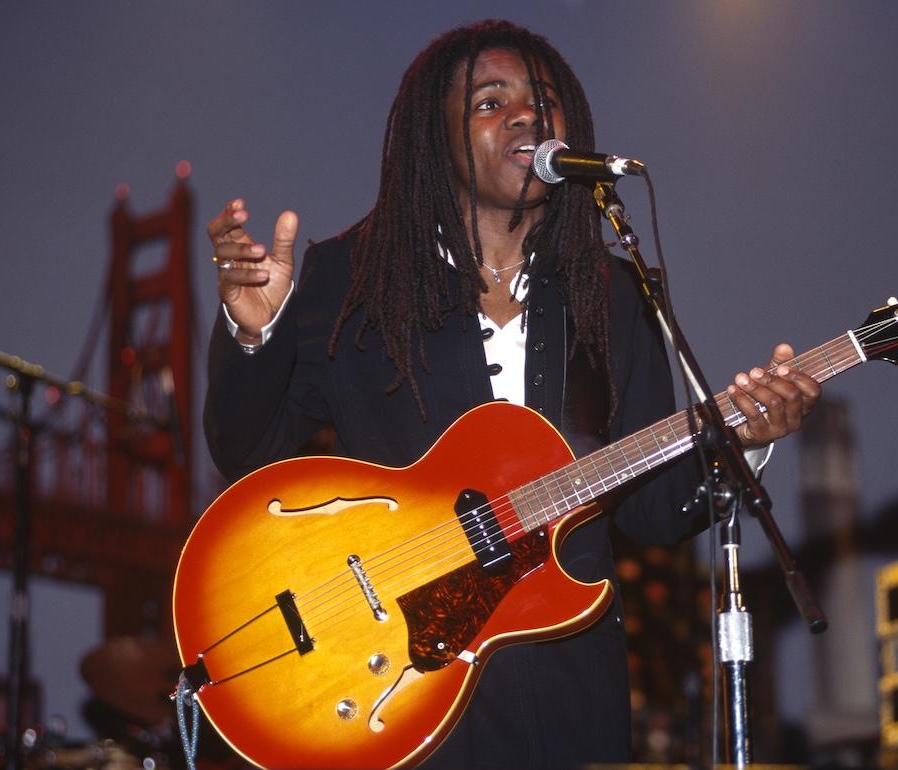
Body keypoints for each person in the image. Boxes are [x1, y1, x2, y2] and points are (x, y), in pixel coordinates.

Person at [203, 19, 820, 770]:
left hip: (567, 693)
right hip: (398, 685)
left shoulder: (610, 295)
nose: (528, 115)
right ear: (438, 139)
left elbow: (655, 513)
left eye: (544, 100)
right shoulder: (350, 280)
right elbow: (247, 454)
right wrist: (253, 339)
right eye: (491, 103)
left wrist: (748, 440)